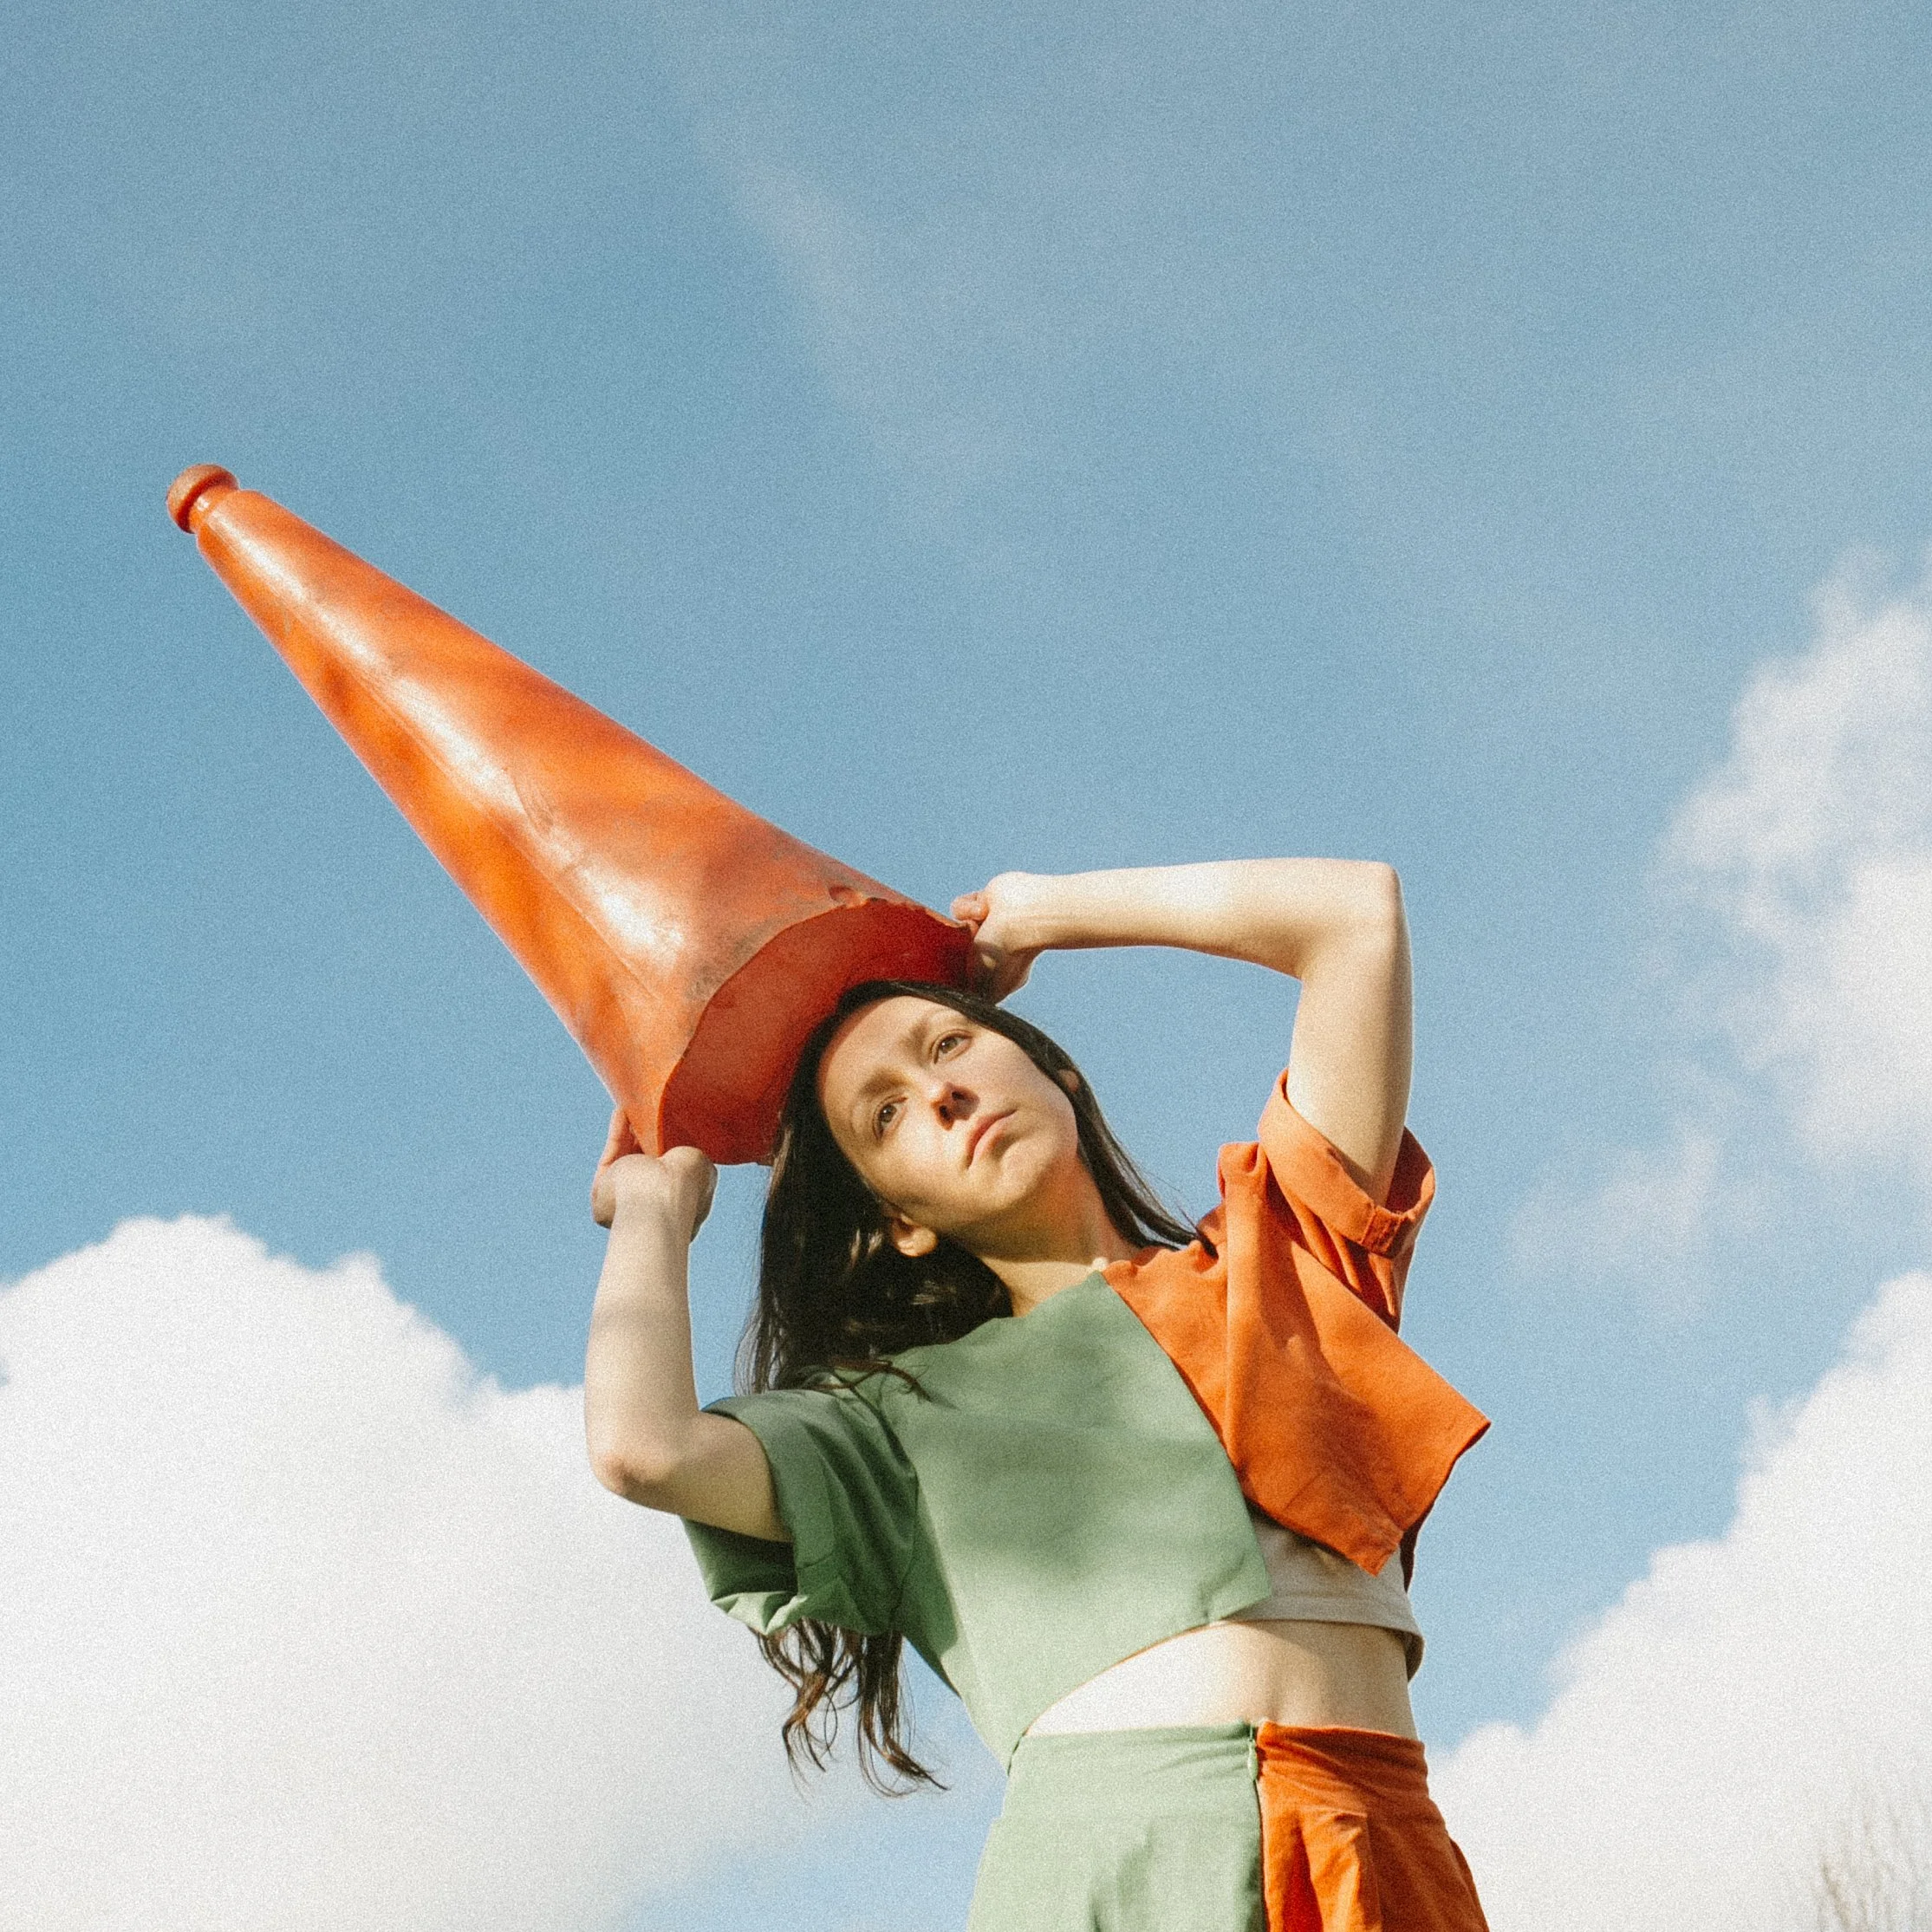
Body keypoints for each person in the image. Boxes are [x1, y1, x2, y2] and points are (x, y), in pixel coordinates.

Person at [583, 860, 1492, 1930]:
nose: (942, 1094)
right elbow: (644, 1448)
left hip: (1378, 1846)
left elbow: (1353, 917)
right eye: (887, 1117)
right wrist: (653, 1210)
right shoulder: (891, 1422)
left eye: (950, 1044)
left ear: (1056, 1073)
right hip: (1108, 1869)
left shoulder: (1281, 1264)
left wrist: (1048, 915)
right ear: (900, 1222)